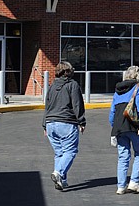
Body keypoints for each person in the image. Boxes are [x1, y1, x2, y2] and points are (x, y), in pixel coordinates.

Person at [42, 61, 86, 191]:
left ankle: (62, 181)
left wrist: (45, 125)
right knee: (70, 151)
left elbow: (47, 106)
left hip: (50, 124)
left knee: (59, 153)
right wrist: (82, 121)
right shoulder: (72, 85)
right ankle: (58, 173)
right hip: (66, 122)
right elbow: (77, 104)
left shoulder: (52, 86)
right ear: (69, 71)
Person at [109, 65, 139, 195]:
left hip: (119, 127)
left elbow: (112, 112)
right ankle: (134, 182)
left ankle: (121, 186)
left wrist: (114, 126)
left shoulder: (117, 90)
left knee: (123, 156)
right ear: (138, 76)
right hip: (134, 125)